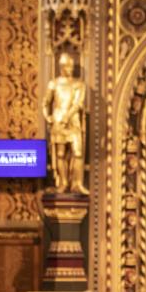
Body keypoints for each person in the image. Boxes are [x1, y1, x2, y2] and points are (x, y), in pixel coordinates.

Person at [43, 52, 89, 194]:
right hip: (58, 122)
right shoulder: (54, 83)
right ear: (62, 67)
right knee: (61, 154)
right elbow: (45, 102)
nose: (71, 69)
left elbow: (78, 104)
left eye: (71, 66)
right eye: (68, 66)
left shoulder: (79, 84)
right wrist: (48, 117)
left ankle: (77, 183)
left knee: (78, 152)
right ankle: (63, 183)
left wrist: (67, 117)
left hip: (73, 122)